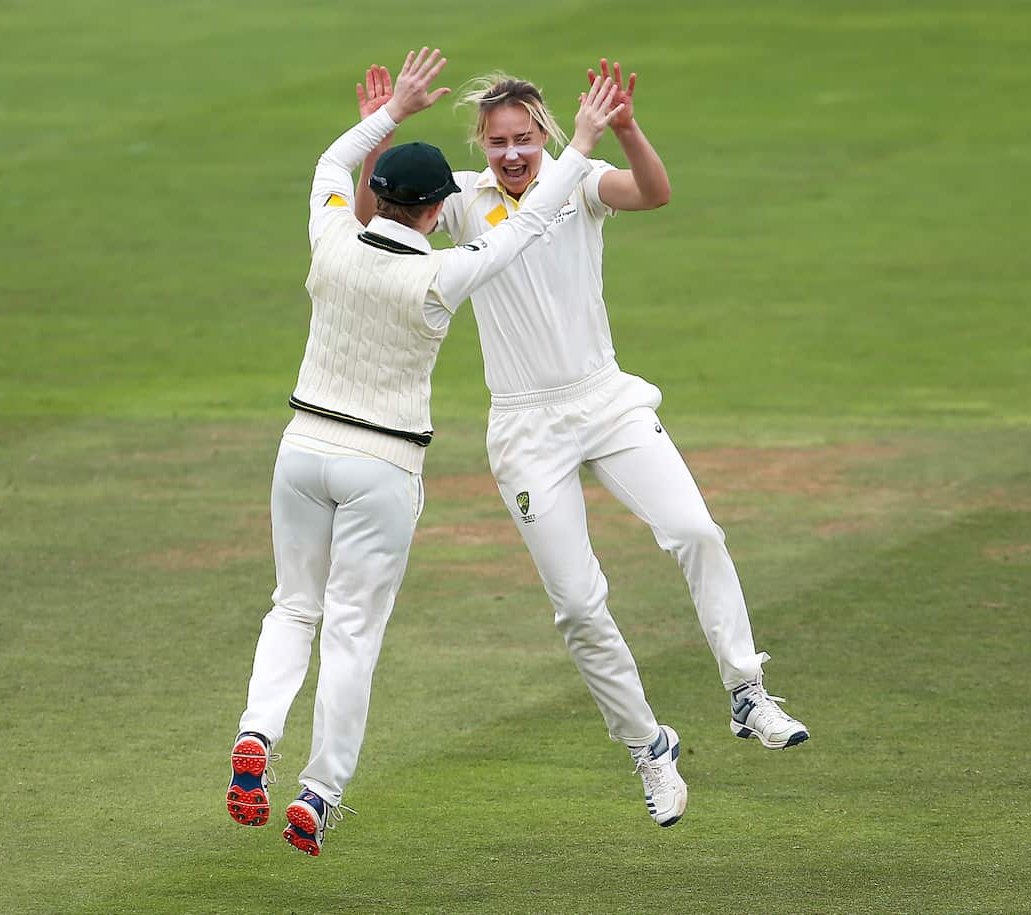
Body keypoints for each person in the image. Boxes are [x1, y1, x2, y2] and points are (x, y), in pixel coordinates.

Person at [355, 60, 809, 829]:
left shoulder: (581, 181)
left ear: (545, 135)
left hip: (606, 398)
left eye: (524, 138)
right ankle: (648, 746)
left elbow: (654, 193)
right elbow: (377, 215)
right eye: (497, 141)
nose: (510, 153)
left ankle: (746, 691)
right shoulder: (462, 202)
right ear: (481, 144)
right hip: (527, 425)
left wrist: (627, 129)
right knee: (577, 604)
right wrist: (379, 135)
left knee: (696, 529)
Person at [225, 48, 627, 857]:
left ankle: (257, 737)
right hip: (383, 464)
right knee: (351, 634)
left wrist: (392, 112)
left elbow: (330, 162)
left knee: (292, 607)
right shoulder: (446, 274)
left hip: (302, 447)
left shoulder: (329, 234)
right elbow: (537, 217)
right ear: (440, 206)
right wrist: (579, 141)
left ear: (377, 196)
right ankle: (318, 790)